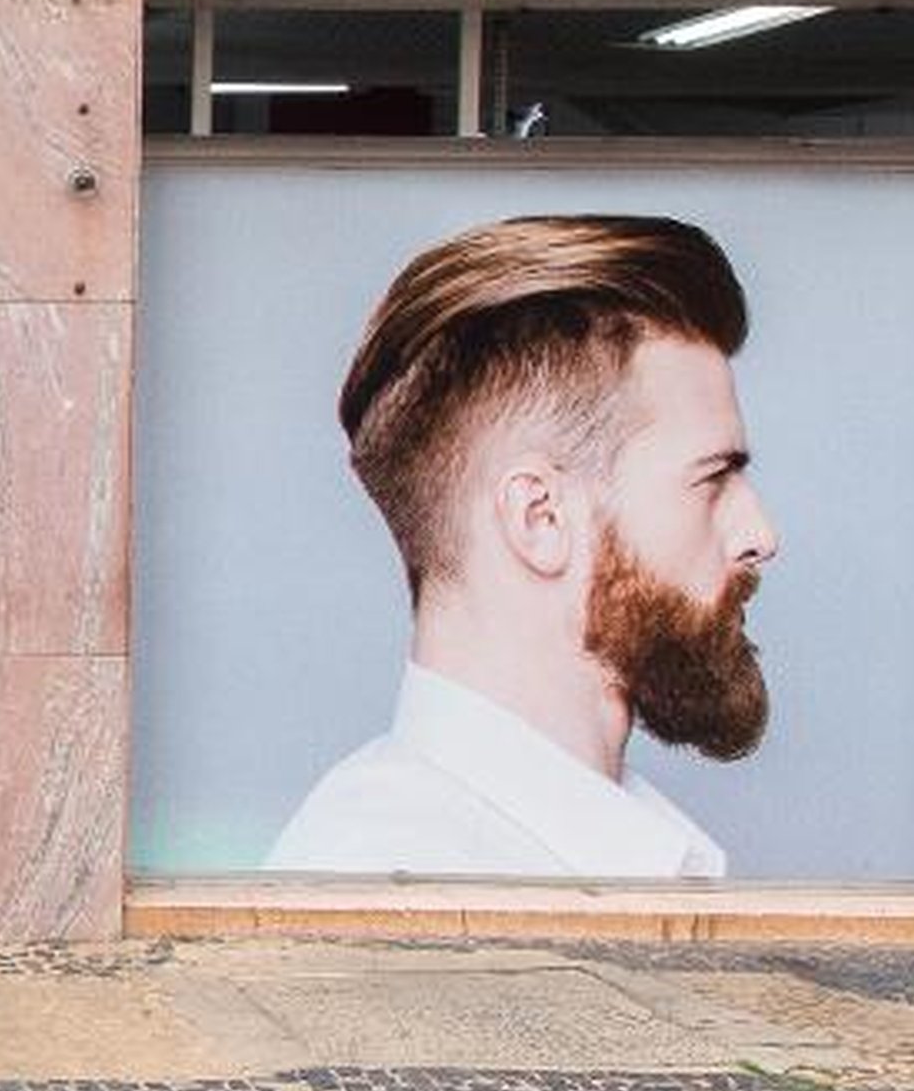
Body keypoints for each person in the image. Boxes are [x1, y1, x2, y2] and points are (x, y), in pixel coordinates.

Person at [266, 214, 779, 879]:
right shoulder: (396, 884)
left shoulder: (589, 849)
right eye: (713, 478)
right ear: (540, 516)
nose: (760, 537)